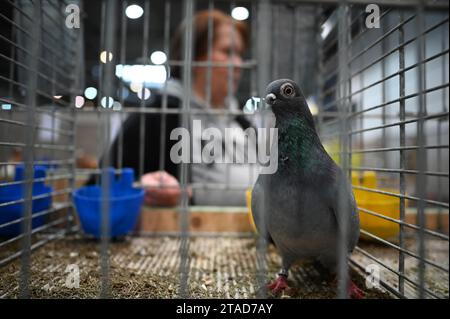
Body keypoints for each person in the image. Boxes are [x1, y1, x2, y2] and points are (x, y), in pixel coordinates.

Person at [106, 9, 258, 207]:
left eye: (240, 54)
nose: (239, 64)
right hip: (189, 232)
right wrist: (142, 188)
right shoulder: (159, 116)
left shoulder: (242, 122)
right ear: (194, 57)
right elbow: (102, 184)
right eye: (227, 52)